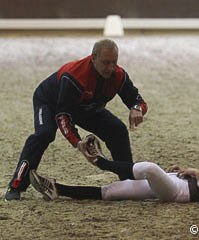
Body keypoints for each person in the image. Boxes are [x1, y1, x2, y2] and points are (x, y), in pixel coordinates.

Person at [5, 39, 148, 201]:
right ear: (93, 58)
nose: (110, 68)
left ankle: (128, 181)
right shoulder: (74, 76)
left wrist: (137, 109)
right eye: (105, 63)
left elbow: (138, 101)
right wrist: (78, 142)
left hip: (85, 106)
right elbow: (63, 116)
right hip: (50, 102)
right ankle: (16, 183)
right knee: (44, 134)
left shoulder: (119, 76)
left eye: (114, 63)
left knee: (117, 130)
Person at [29, 136, 199, 204]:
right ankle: (57, 190)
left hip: (181, 192)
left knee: (148, 168)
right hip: (179, 181)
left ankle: (99, 160)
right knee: (112, 192)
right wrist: (190, 171)